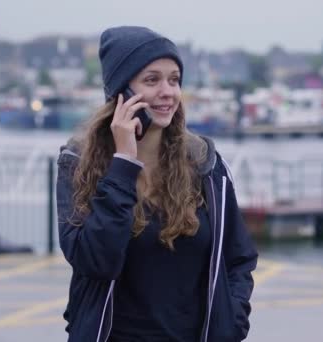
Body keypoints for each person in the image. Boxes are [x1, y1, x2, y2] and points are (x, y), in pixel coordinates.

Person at [56, 26, 258, 342]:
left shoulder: (206, 164)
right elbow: (95, 262)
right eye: (152, 80)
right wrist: (123, 163)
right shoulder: (78, 164)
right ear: (121, 93)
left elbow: (238, 259)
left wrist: (231, 325)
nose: (168, 91)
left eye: (174, 79)